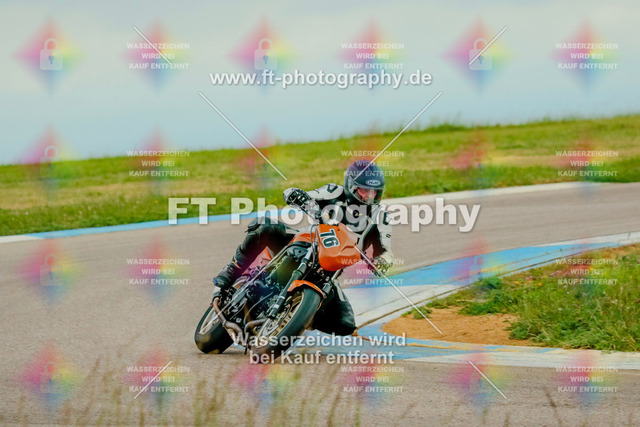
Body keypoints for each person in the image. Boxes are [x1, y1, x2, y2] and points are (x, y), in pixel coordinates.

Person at [212, 159, 394, 336]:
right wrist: (297, 195)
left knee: (345, 324)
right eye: (364, 191)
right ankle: (232, 270)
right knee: (265, 226)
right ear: (351, 186)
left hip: (329, 271)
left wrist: (383, 261)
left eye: (374, 192)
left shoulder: (380, 216)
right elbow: (302, 194)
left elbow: (386, 250)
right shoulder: (334, 192)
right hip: (304, 241)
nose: (368, 196)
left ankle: (298, 314)